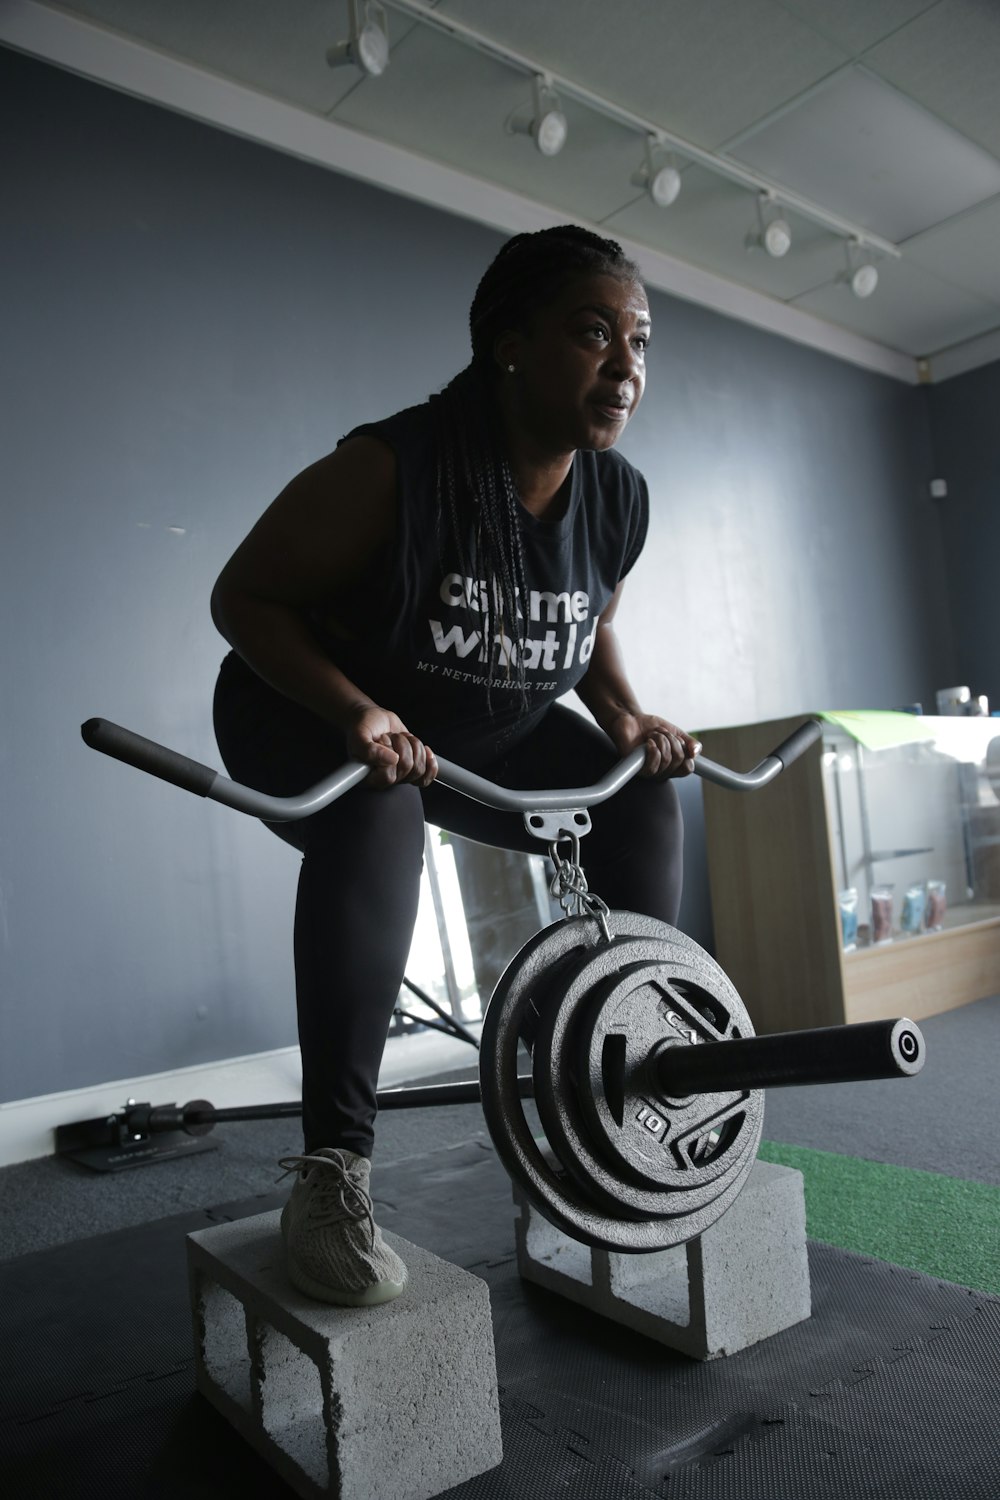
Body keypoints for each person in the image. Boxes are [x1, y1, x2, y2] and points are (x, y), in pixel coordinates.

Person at [210, 224, 700, 1308]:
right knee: (382, 813)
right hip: (307, 706)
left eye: (640, 341)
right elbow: (241, 600)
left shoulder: (617, 498)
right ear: (508, 345)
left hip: (487, 724)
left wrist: (623, 715)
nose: (626, 365)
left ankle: (607, 1110)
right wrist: (354, 710)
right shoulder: (394, 468)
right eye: (592, 333)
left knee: (643, 800)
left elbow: (575, 623)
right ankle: (332, 1174)